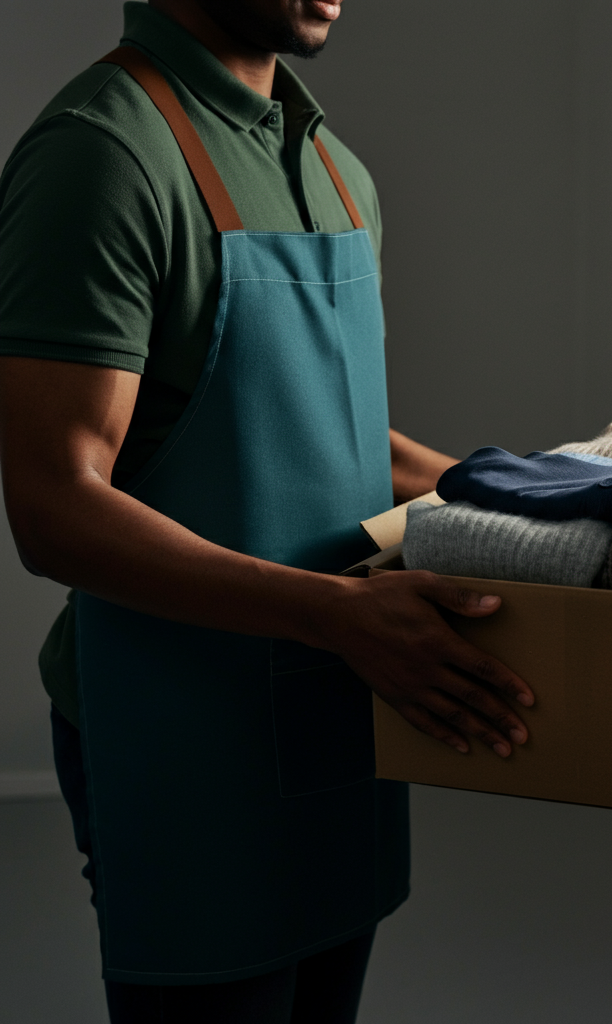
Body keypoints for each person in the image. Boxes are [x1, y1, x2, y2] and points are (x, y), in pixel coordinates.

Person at [0, 1, 534, 1020]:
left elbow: (335, 434)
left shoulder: (335, 166)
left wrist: (543, 499)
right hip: (182, 723)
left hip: (342, 694)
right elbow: (54, 505)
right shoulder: (103, 154)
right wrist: (332, 612)